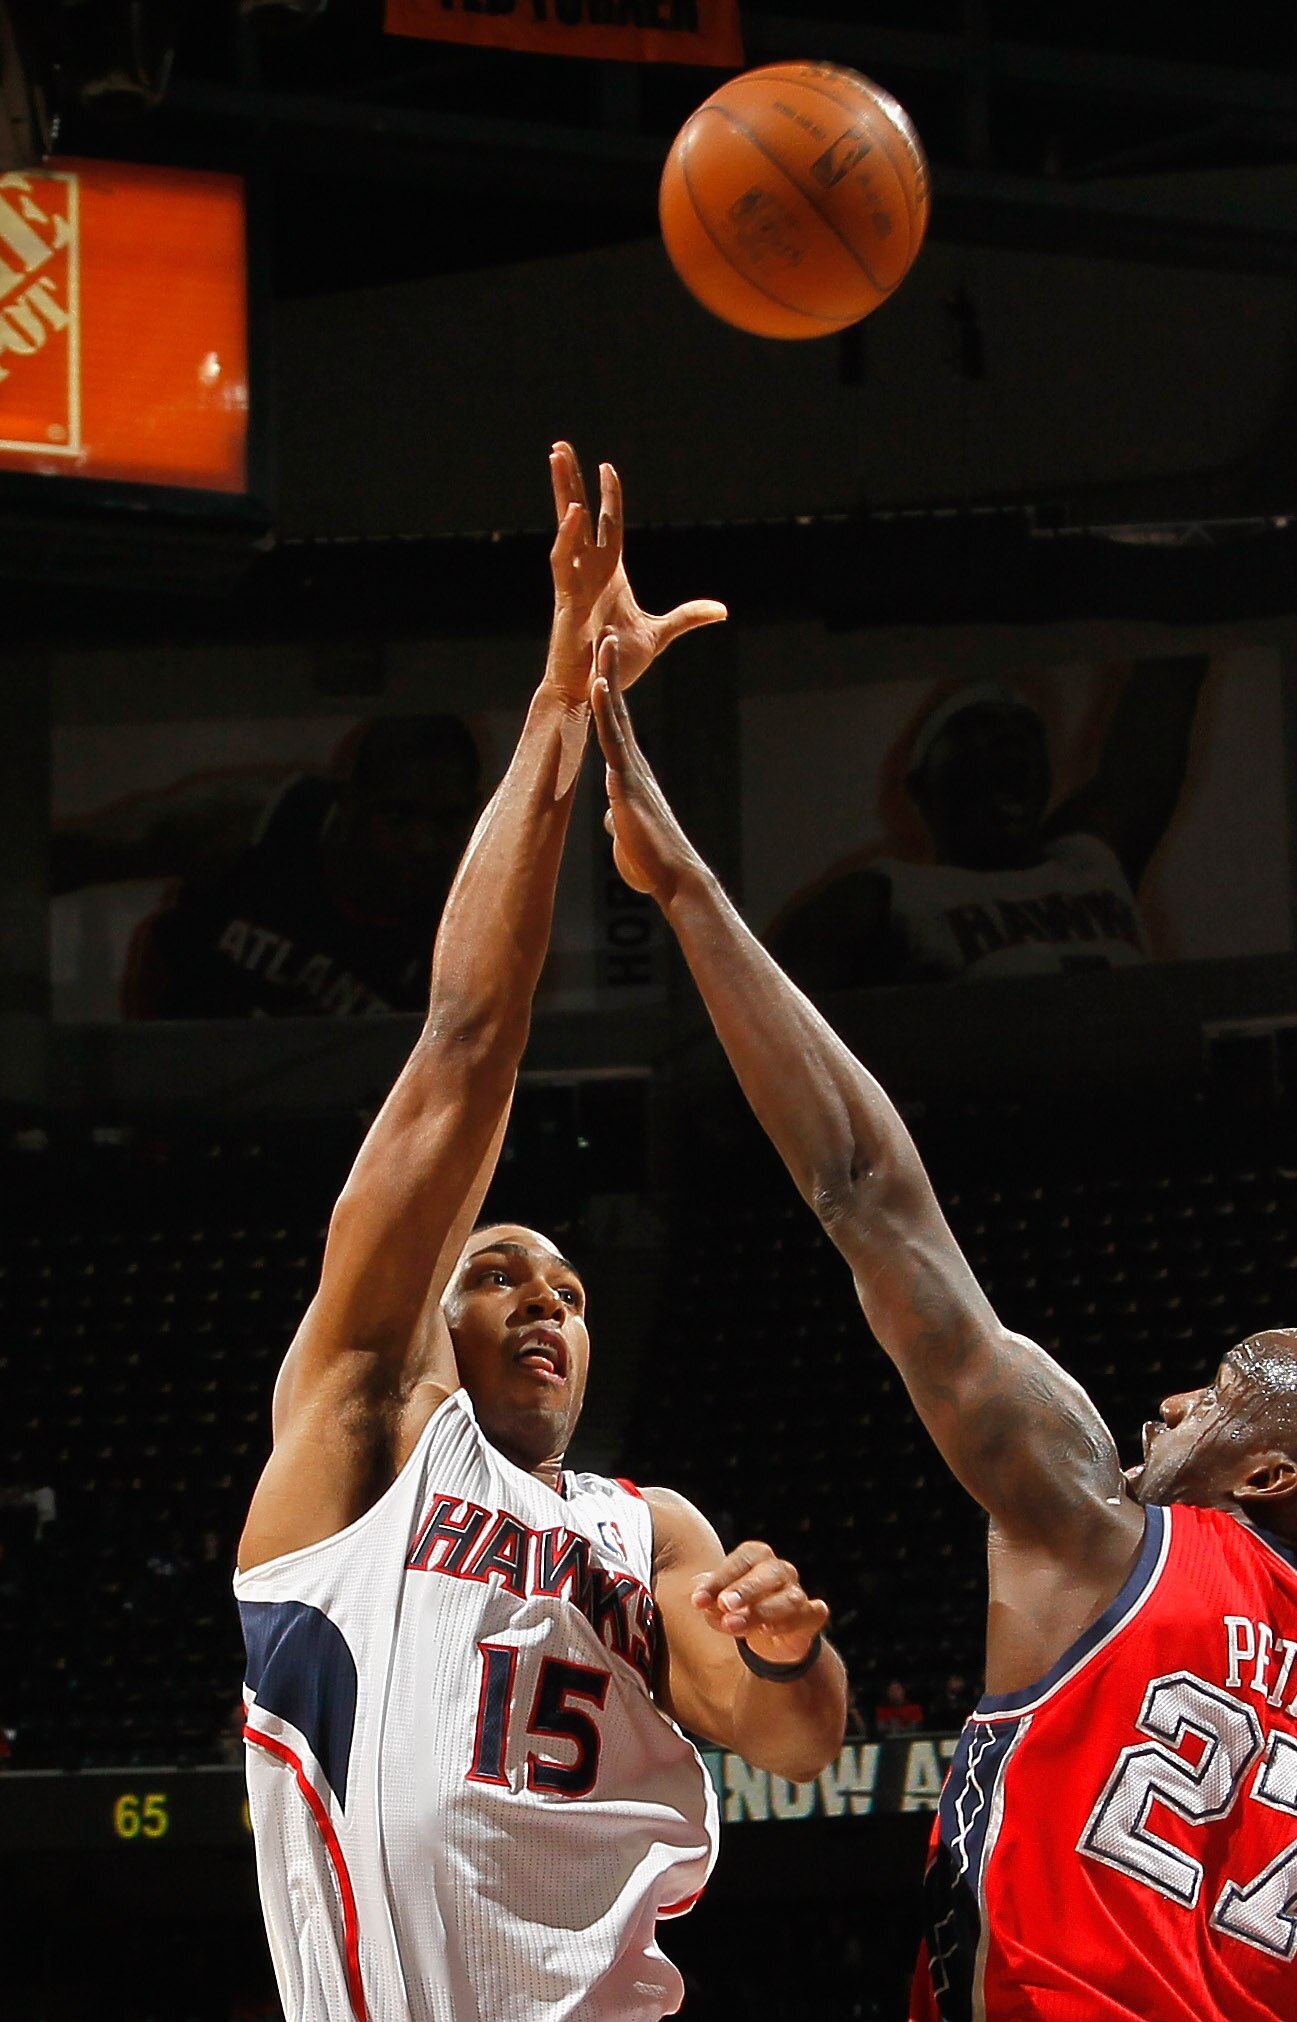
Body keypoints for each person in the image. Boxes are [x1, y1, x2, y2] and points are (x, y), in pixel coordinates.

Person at [587, 645, 1297, 2022]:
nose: (1171, 1397)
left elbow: (867, 1191)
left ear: (1266, 1474)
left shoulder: (1092, 1526)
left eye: (1223, 1390)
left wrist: (685, 887)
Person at [235, 448, 846, 2022]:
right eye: (497, 1268)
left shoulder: (651, 1533)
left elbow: (791, 1738)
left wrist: (782, 1650)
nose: (546, 1298)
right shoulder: (362, 1440)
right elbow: (462, 1039)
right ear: (426, 1313)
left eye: (570, 1285)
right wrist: (560, 711)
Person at [769, 660, 1207, 992]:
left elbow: (1158, 712)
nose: (1010, 735)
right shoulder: (890, 895)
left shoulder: (1085, 860)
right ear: (922, 784)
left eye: (1027, 729)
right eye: (977, 724)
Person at [114, 712, 485, 1018]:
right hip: (178, 1070)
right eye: (399, 817)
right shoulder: (261, 821)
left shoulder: (470, 926)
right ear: (350, 802)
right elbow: (76, 854)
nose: (424, 845)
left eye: (447, 821)